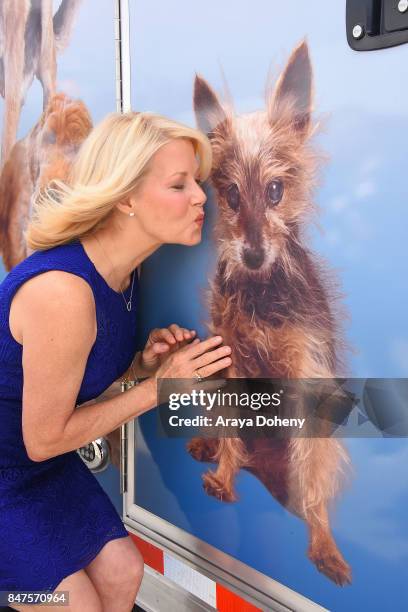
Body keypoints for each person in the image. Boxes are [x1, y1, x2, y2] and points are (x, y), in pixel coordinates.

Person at [0, 111, 232, 611]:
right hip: (12, 470)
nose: (200, 197)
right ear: (126, 197)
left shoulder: (125, 275)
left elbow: (74, 382)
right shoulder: (63, 291)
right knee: (71, 604)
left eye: (197, 181)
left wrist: (140, 368)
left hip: (37, 465)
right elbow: (44, 438)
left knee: (124, 573)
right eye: (179, 185)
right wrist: (161, 387)